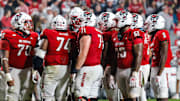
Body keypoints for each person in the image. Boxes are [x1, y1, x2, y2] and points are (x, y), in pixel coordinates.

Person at [1, 12, 39, 101]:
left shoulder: (34, 36)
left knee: (27, 96)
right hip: (12, 69)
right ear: (18, 23)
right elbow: (4, 58)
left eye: (30, 23)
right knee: (12, 95)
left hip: (27, 70)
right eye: (26, 23)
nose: (30, 25)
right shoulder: (8, 35)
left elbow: (36, 57)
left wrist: (36, 71)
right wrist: (7, 75)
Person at [33, 15, 72, 101]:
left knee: (48, 96)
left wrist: (37, 67)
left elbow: (41, 52)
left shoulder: (49, 33)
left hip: (52, 67)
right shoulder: (70, 35)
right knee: (62, 97)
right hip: (66, 68)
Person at [112, 10, 143, 101]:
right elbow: (115, 55)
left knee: (132, 96)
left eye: (117, 20)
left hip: (130, 69)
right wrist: (112, 73)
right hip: (119, 69)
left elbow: (139, 54)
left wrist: (135, 72)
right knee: (124, 97)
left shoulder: (134, 33)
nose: (115, 23)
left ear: (123, 20)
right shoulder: (116, 35)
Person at [74, 11, 104, 101]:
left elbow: (83, 53)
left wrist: (76, 69)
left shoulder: (86, 31)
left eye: (81, 20)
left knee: (80, 95)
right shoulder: (98, 32)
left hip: (87, 68)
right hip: (98, 68)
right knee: (92, 97)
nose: (78, 22)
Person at [145, 14, 173, 101]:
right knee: (158, 96)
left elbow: (164, 54)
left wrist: (160, 73)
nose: (147, 26)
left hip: (162, 69)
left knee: (162, 95)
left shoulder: (162, 33)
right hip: (155, 67)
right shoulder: (153, 36)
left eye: (148, 24)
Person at [98, 12, 123, 101]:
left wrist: (104, 67)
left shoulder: (107, 35)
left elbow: (104, 54)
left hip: (110, 66)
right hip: (120, 66)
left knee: (113, 96)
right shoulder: (119, 33)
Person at [131, 13, 151, 101]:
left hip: (139, 64)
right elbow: (150, 51)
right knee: (141, 89)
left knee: (137, 89)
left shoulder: (136, 34)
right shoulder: (146, 34)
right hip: (146, 64)